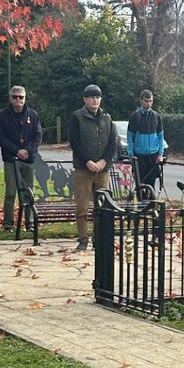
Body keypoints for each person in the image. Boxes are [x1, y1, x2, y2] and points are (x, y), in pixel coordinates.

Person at [69, 84, 119, 251]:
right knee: (82, 206)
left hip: (102, 170)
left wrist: (104, 161)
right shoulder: (77, 117)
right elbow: (74, 142)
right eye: (91, 97)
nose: (95, 100)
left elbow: (113, 142)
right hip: (83, 170)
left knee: (102, 206)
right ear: (85, 99)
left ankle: (99, 238)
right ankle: (83, 239)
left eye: (97, 97)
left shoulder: (107, 118)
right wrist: (87, 161)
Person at [0, 85, 43, 230]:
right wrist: (16, 151)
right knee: (10, 192)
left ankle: (29, 223)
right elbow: (0, 138)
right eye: (14, 97)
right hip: (11, 159)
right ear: (10, 98)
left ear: (25, 98)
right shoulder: (2, 115)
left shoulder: (33, 115)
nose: (18, 100)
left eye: (20, 97)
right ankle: (8, 224)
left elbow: (38, 136)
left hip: (28, 159)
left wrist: (27, 150)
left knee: (29, 192)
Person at [126, 88, 167, 196]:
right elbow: (130, 136)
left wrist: (160, 153)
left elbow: (160, 136)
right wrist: (130, 154)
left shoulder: (156, 116)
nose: (148, 104)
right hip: (139, 156)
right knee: (140, 185)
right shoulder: (135, 116)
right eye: (146, 101)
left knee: (151, 185)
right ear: (141, 100)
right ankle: (140, 203)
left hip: (153, 156)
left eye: (150, 101)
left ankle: (151, 203)